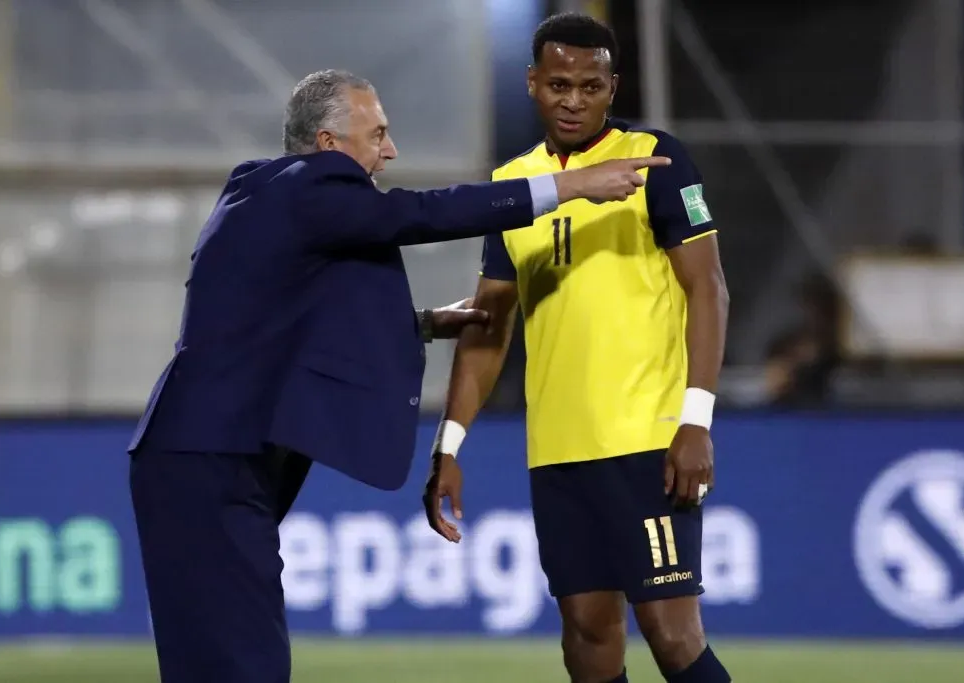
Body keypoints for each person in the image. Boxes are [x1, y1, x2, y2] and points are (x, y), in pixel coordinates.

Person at [127, 67, 671, 683]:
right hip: (212, 455)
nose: (390, 150)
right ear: (330, 147)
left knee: (212, 659)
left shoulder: (267, 193)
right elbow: (423, 214)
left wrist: (424, 323)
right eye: (378, 134)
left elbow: (282, 319)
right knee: (244, 664)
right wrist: (569, 185)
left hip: (199, 452)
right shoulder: (312, 187)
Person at [423, 14, 731, 683]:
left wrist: (695, 419)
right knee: (587, 639)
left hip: (648, 440)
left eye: (590, 86)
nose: (573, 99)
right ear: (533, 83)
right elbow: (489, 325)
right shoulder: (516, 186)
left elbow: (708, 289)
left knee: (672, 633)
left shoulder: (657, 159)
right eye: (559, 84)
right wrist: (449, 444)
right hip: (559, 450)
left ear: (611, 86)